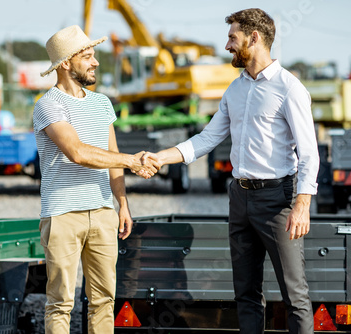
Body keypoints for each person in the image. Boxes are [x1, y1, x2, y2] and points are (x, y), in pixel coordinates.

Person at [143, 8, 319, 334]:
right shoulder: (235, 90)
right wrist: (160, 157)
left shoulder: (289, 88)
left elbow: (309, 152)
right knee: (246, 294)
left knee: (294, 294)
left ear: (254, 38)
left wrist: (302, 203)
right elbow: (207, 138)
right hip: (239, 198)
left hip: (276, 201)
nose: (227, 46)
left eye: (232, 38)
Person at [33, 25, 158, 334]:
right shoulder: (48, 104)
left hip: (103, 213)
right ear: (65, 63)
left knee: (104, 300)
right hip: (62, 214)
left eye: (93, 55)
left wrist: (123, 205)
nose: (95, 62)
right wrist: (132, 161)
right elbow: (77, 152)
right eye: (87, 56)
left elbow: (110, 154)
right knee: (61, 302)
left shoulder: (102, 103)